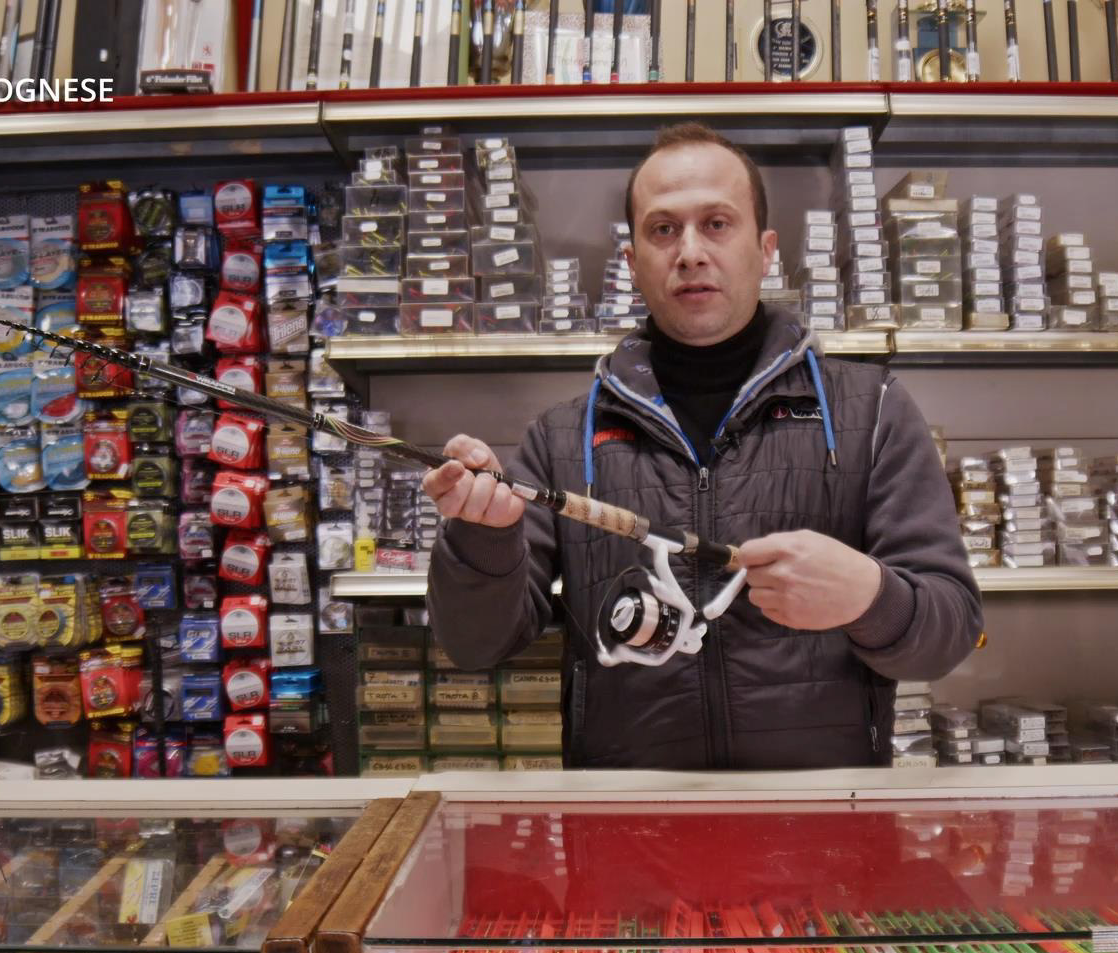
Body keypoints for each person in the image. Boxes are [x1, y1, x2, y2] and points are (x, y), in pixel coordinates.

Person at [420, 122, 982, 770]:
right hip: (629, 832)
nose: (690, 251)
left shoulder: (871, 410)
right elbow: (475, 645)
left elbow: (949, 631)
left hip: (822, 824)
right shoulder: (559, 440)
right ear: (632, 261)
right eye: (663, 229)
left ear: (766, 249)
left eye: (717, 223)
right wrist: (481, 539)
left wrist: (870, 595)